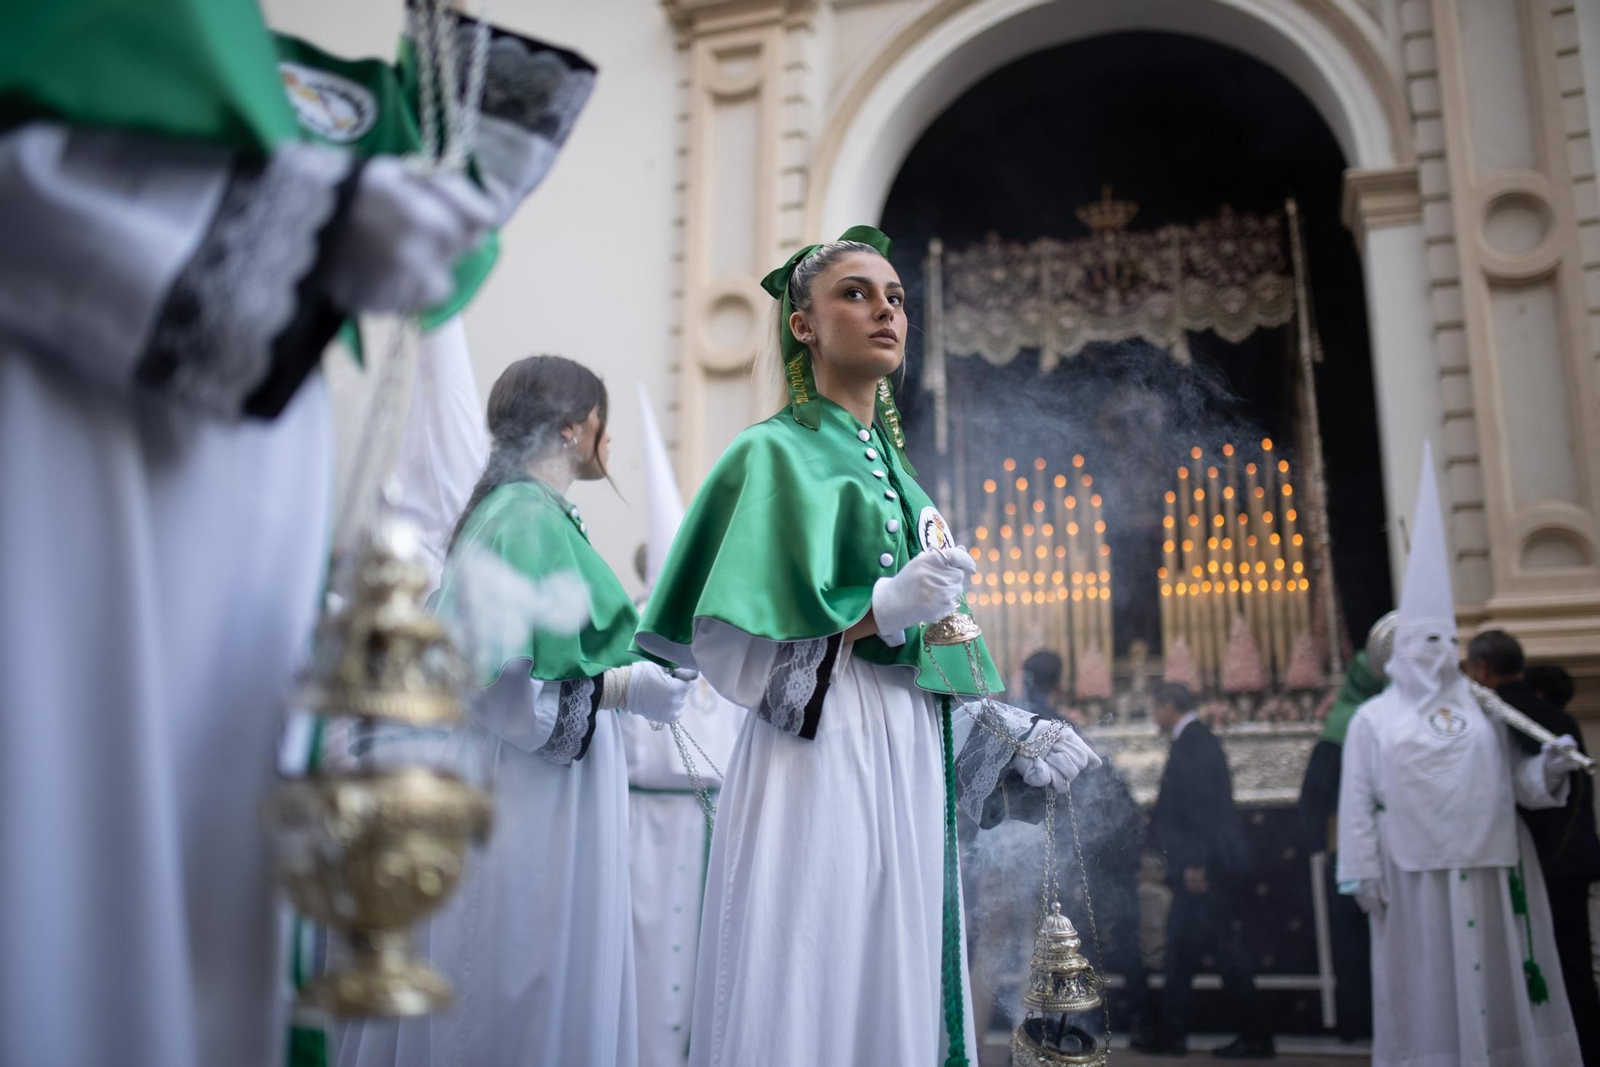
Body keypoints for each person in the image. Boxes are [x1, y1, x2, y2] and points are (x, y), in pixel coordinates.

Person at [0, 2, 595, 1063]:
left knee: (222, 860)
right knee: (74, 838)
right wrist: (305, 225)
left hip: (252, 483)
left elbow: (433, 146)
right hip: (70, 437)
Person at [635, 227, 1101, 1066]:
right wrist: (877, 609)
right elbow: (737, 652)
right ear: (804, 325)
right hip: (817, 752)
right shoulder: (770, 454)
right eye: (855, 293)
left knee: (897, 967)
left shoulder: (907, 481)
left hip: (906, 759)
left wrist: (1008, 729)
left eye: (895, 296)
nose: (886, 309)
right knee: (815, 960)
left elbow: (927, 667)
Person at [334, 357, 695, 1067]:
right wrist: (624, 688)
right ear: (572, 428)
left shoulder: (523, 512)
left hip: (534, 792)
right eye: (602, 419)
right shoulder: (526, 516)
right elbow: (504, 690)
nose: (608, 437)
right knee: (524, 987)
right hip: (529, 802)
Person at [1337, 445, 1584, 1067]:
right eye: (1426, 639)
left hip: (1492, 863)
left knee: (1498, 979)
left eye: (1447, 638)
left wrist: (1548, 769)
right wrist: (1361, 870)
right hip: (1413, 873)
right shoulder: (1374, 718)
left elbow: (1514, 782)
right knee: (1430, 983)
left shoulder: (1483, 707)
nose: (1438, 650)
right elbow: (1358, 799)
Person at [622, 386, 748, 1067]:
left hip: (712, 820)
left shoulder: (724, 634)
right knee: (642, 963)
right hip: (641, 823)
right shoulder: (625, 635)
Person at [1466, 631, 1600, 1065]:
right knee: (1574, 963)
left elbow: (1526, 787)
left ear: (1481, 669)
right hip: (1571, 858)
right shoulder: (1555, 716)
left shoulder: (1494, 718)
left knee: (1549, 961)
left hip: (1538, 862)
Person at [1143, 682, 1273, 1058]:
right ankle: (1173, 1033)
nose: (1154, 716)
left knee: (1223, 951)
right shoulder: (1197, 740)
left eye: (1155, 708)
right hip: (1202, 864)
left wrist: (1195, 863)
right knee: (1182, 950)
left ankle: (1256, 1036)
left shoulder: (1194, 742)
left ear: (1169, 706)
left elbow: (1202, 809)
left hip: (1205, 867)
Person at [1292, 621, 1389, 1042]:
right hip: (1400, 844)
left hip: (1345, 847)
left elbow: (1315, 794)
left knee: (1350, 939)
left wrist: (1314, 841)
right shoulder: (1393, 719)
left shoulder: (1341, 725)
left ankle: (1357, 1021)